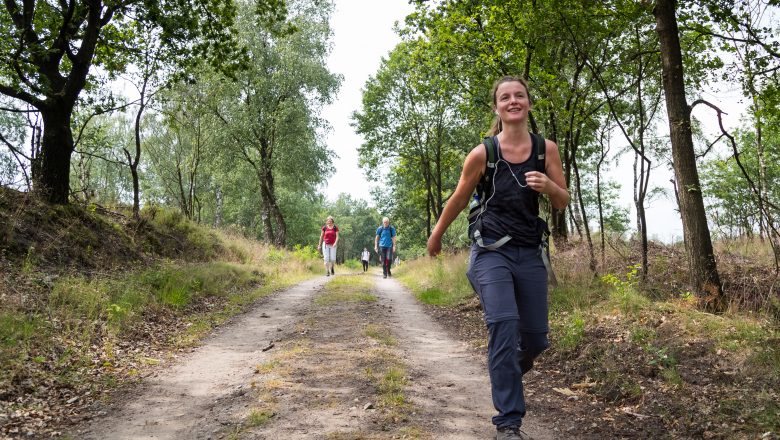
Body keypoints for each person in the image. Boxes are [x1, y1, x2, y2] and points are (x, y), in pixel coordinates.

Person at [427, 76, 569, 440]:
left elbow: (561, 200)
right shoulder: (483, 153)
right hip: (490, 252)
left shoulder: (545, 149)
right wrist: (437, 234)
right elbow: (459, 198)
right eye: (505, 97)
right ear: (497, 107)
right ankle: (508, 423)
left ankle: (502, 370)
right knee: (504, 326)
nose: (513, 101)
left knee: (536, 339)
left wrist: (549, 186)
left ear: (528, 104)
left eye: (519, 95)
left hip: (529, 253)